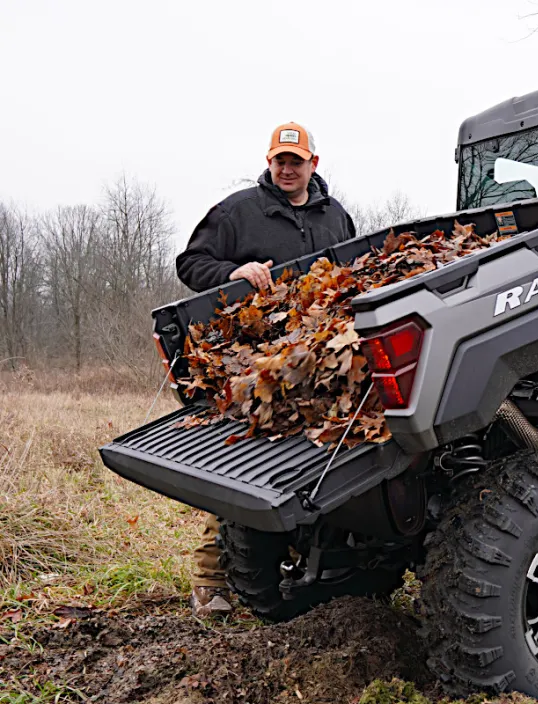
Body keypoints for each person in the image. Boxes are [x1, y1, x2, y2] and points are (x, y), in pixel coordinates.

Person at [175, 121, 357, 618]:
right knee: (241, 466)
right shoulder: (238, 211)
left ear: (313, 165)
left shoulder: (335, 217)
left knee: (311, 467)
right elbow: (190, 264)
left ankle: (303, 565)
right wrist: (232, 273)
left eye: (296, 160)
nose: (287, 168)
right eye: (280, 159)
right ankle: (211, 579)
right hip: (255, 365)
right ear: (269, 161)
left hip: (321, 365)